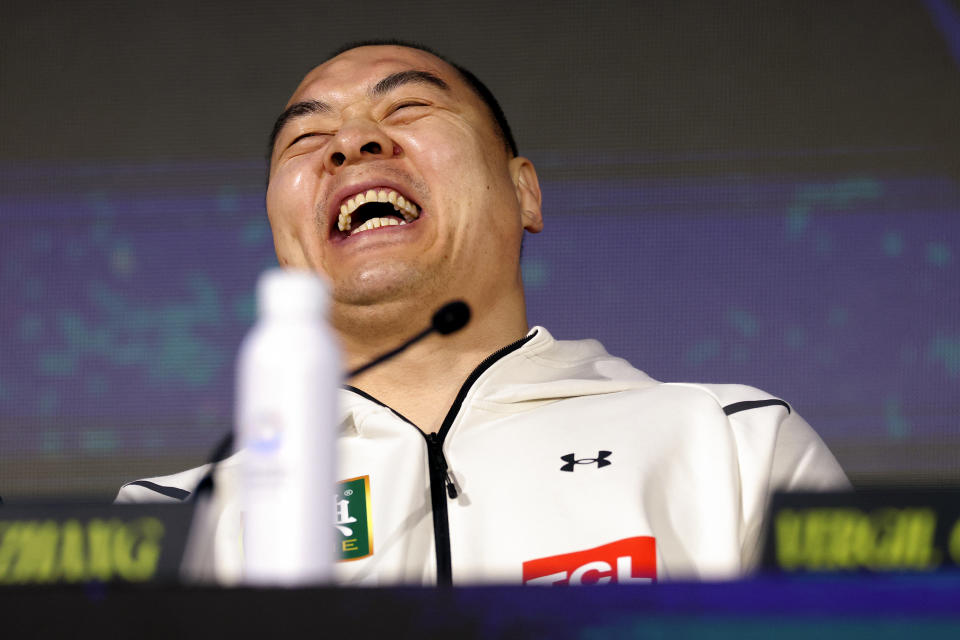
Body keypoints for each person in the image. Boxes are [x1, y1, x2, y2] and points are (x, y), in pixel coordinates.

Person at [117, 41, 848, 585]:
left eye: (407, 108)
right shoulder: (179, 522)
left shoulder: (735, 448)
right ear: (283, 238)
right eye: (308, 140)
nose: (354, 143)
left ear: (524, 192)